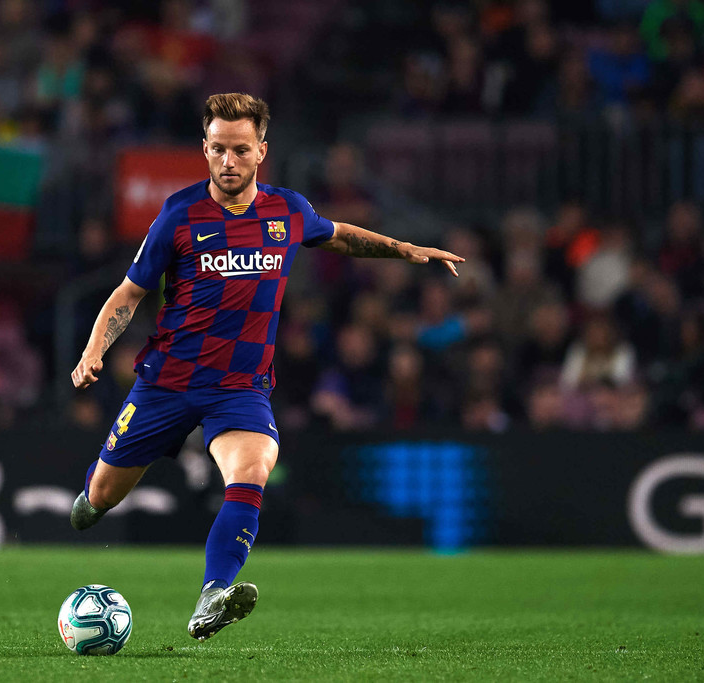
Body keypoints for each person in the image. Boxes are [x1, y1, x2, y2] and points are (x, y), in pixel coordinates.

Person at [69, 93, 463, 641]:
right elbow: (129, 294)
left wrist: (403, 248)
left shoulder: (287, 210)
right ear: (204, 151)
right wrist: (94, 353)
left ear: (262, 152)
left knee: (252, 471)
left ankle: (213, 595)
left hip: (240, 388)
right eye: (216, 150)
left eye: (239, 150)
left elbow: (341, 235)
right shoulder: (178, 215)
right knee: (102, 500)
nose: (227, 162)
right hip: (167, 382)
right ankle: (91, 495)